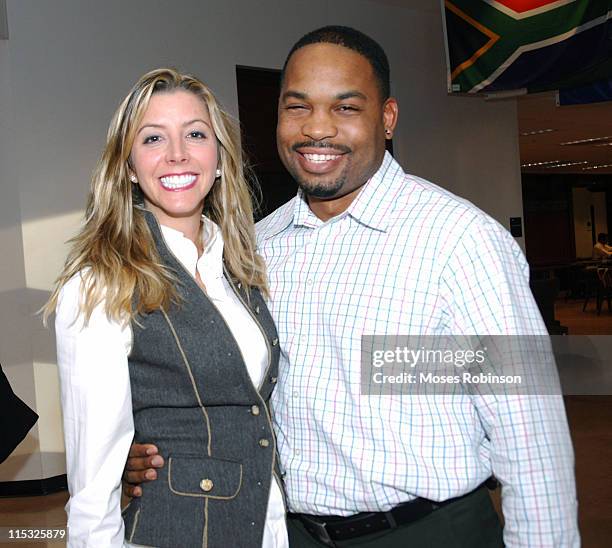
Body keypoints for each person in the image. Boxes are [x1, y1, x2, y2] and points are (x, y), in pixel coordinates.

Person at [125, 28, 579, 547]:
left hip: (428, 532)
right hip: (291, 532)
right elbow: (234, 389)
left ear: (386, 119)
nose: (317, 129)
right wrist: (154, 447)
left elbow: (531, 438)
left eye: (345, 108)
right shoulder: (256, 246)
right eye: (298, 107)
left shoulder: (462, 241)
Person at [44, 68, 288, 548]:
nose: (177, 153)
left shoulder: (242, 267)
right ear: (130, 167)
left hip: (269, 526)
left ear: (219, 159)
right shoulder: (100, 283)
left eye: (195, 134)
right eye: (153, 138)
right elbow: (94, 480)